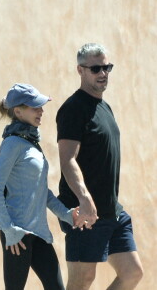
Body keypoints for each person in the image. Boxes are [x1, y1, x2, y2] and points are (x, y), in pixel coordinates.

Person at [56, 43, 143, 290]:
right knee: (82, 281)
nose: (103, 73)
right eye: (96, 68)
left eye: (107, 67)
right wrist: (84, 199)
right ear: (80, 70)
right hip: (85, 214)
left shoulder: (105, 107)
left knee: (132, 273)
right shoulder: (73, 109)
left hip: (113, 212)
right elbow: (67, 159)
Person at [0, 83, 80, 290]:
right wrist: (9, 230)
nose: (41, 111)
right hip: (18, 237)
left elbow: (41, 192)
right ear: (18, 111)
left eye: (40, 106)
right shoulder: (12, 144)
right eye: (35, 107)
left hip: (40, 234)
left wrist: (67, 214)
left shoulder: (31, 144)